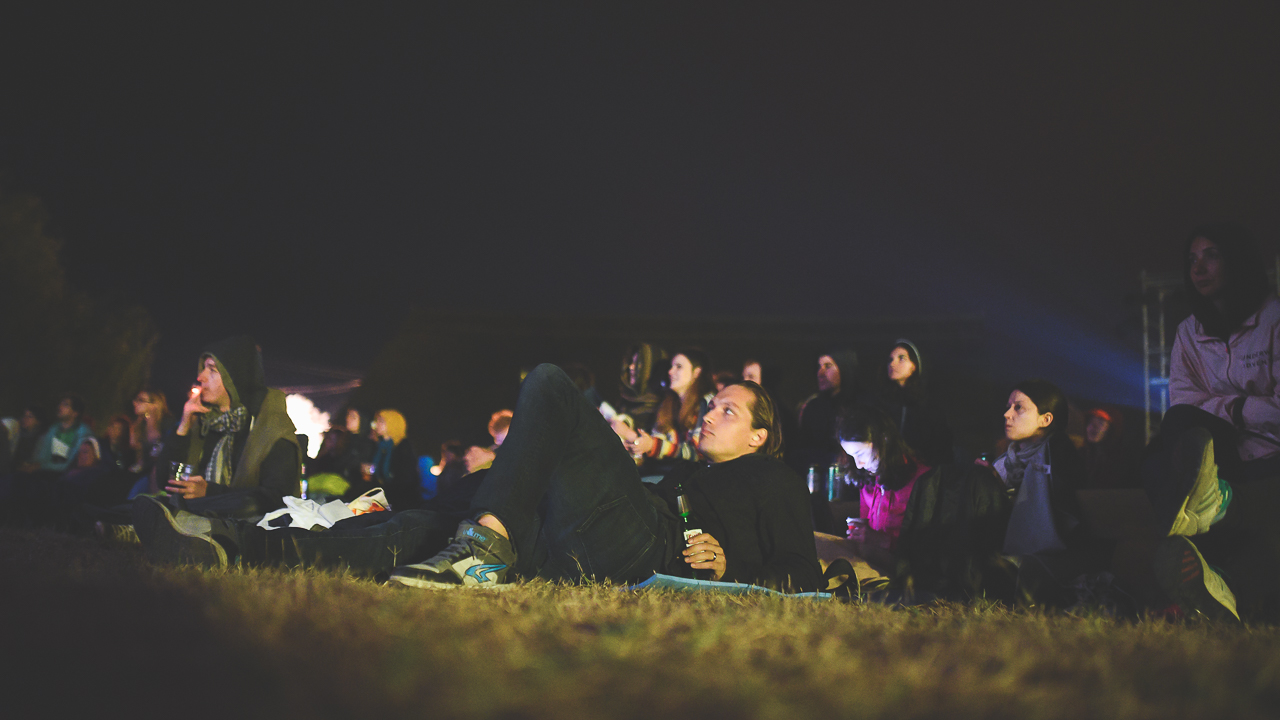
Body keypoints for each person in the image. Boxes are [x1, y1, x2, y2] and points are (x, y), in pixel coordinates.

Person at [388, 364, 823, 591]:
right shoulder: (691, 470)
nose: (709, 415)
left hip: (650, 545)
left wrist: (732, 569)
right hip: (590, 541)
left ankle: (486, 550)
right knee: (436, 528)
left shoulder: (773, 477)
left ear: (758, 436)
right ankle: (355, 526)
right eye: (711, 406)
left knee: (550, 384)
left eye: (728, 411)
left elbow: (803, 573)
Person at [1143, 223, 1280, 621]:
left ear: (1237, 261)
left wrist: (1231, 409)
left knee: (1178, 445)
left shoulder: (1273, 319)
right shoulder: (1189, 332)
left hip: (1270, 453)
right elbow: (1185, 401)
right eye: (1192, 260)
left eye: (1211, 256)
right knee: (1163, 443)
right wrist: (1245, 408)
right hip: (1224, 450)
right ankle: (1208, 514)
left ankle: (1208, 566)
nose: (1198, 269)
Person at [131, 335, 302, 552]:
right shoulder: (203, 421)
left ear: (235, 377)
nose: (200, 377)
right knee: (140, 504)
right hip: (195, 508)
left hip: (250, 520)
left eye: (212, 370)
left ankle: (167, 527)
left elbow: (277, 498)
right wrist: (183, 426)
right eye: (203, 368)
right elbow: (166, 480)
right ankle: (165, 525)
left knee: (248, 505)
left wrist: (210, 492)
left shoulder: (270, 427)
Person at [837, 406, 1009, 600]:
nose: (858, 464)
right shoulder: (869, 481)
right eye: (852, 456)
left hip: (904, 571)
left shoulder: (922, 481)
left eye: (860, 454)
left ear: (883, 440)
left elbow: (930, 551)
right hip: (871, 559)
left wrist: (883, 541)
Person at [991, 380, 1101, 607]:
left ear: (1046, 419)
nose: (1007, 414)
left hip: (1051, 557)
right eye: (1008, 406)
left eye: (1018, 407)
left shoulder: (1059, 458)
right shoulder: (1003, 463)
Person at [620, 349, 717, 466]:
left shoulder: (707, 402)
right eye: (671, 367)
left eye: (679, 366)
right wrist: (637, 446)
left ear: (696, 372)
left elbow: (698, 452)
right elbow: (659, 440)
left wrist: (652, 445)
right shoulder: (670, 404)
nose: (670, 372)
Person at [871, 340, 953, 467]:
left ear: (914, 366)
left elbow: (939, 444)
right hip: (889, 466)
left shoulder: (928, 403)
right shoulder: (882, 401)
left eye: (901, 358)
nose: (892, 364)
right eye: (890, 360)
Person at [795, 350, 858, 470]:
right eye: (819, 367)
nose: (820, 373)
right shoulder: (811, 406)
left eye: (828, 366)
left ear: (844, 368)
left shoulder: (859, 405)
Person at [363, 409, 421, 511]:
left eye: (381, 421)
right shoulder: (380, 446)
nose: (376, 424)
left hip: (400, 503)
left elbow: (406, 480)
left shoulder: (403, 447)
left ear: (393, 424)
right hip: (382, 500)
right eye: (377, 421)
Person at [23, 395, 93, 475]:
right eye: (60, 404)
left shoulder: (83, 432)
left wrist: (41, 466)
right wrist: (32, 465)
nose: (60, 407)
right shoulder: (54, 428)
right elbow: (43, 455)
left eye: (66, 405)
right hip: (45, 473)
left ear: (75, 413)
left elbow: (72, 463)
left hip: (68, 476)